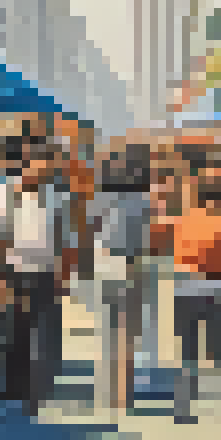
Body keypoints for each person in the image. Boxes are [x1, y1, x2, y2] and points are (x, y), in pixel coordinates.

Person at [0, 137, 85, 417]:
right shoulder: (6, 193)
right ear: (31, 163)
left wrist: (65, 274)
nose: (49, 168)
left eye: (51, 163)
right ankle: (18, 391)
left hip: (47, 273)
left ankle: (39, 390)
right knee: (17, 332)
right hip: (14, 272)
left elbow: (68, 239)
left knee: (46, 335)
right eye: (45, 162)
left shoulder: (57, 195)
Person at [155, 156, 221, 424]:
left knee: (188, 352)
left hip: (184, 290)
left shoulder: (183, 221)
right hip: (214, 289)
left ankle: (183, 406)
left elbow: (168, 247)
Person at [93, 145, 155, 417]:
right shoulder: (145, 200)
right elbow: (150, 238)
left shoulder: (102, 197)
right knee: (127, 332)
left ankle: (107, 391)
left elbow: (89, 227)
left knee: (107, 329)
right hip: (133, 264)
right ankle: (122, 393)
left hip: (106, 262)